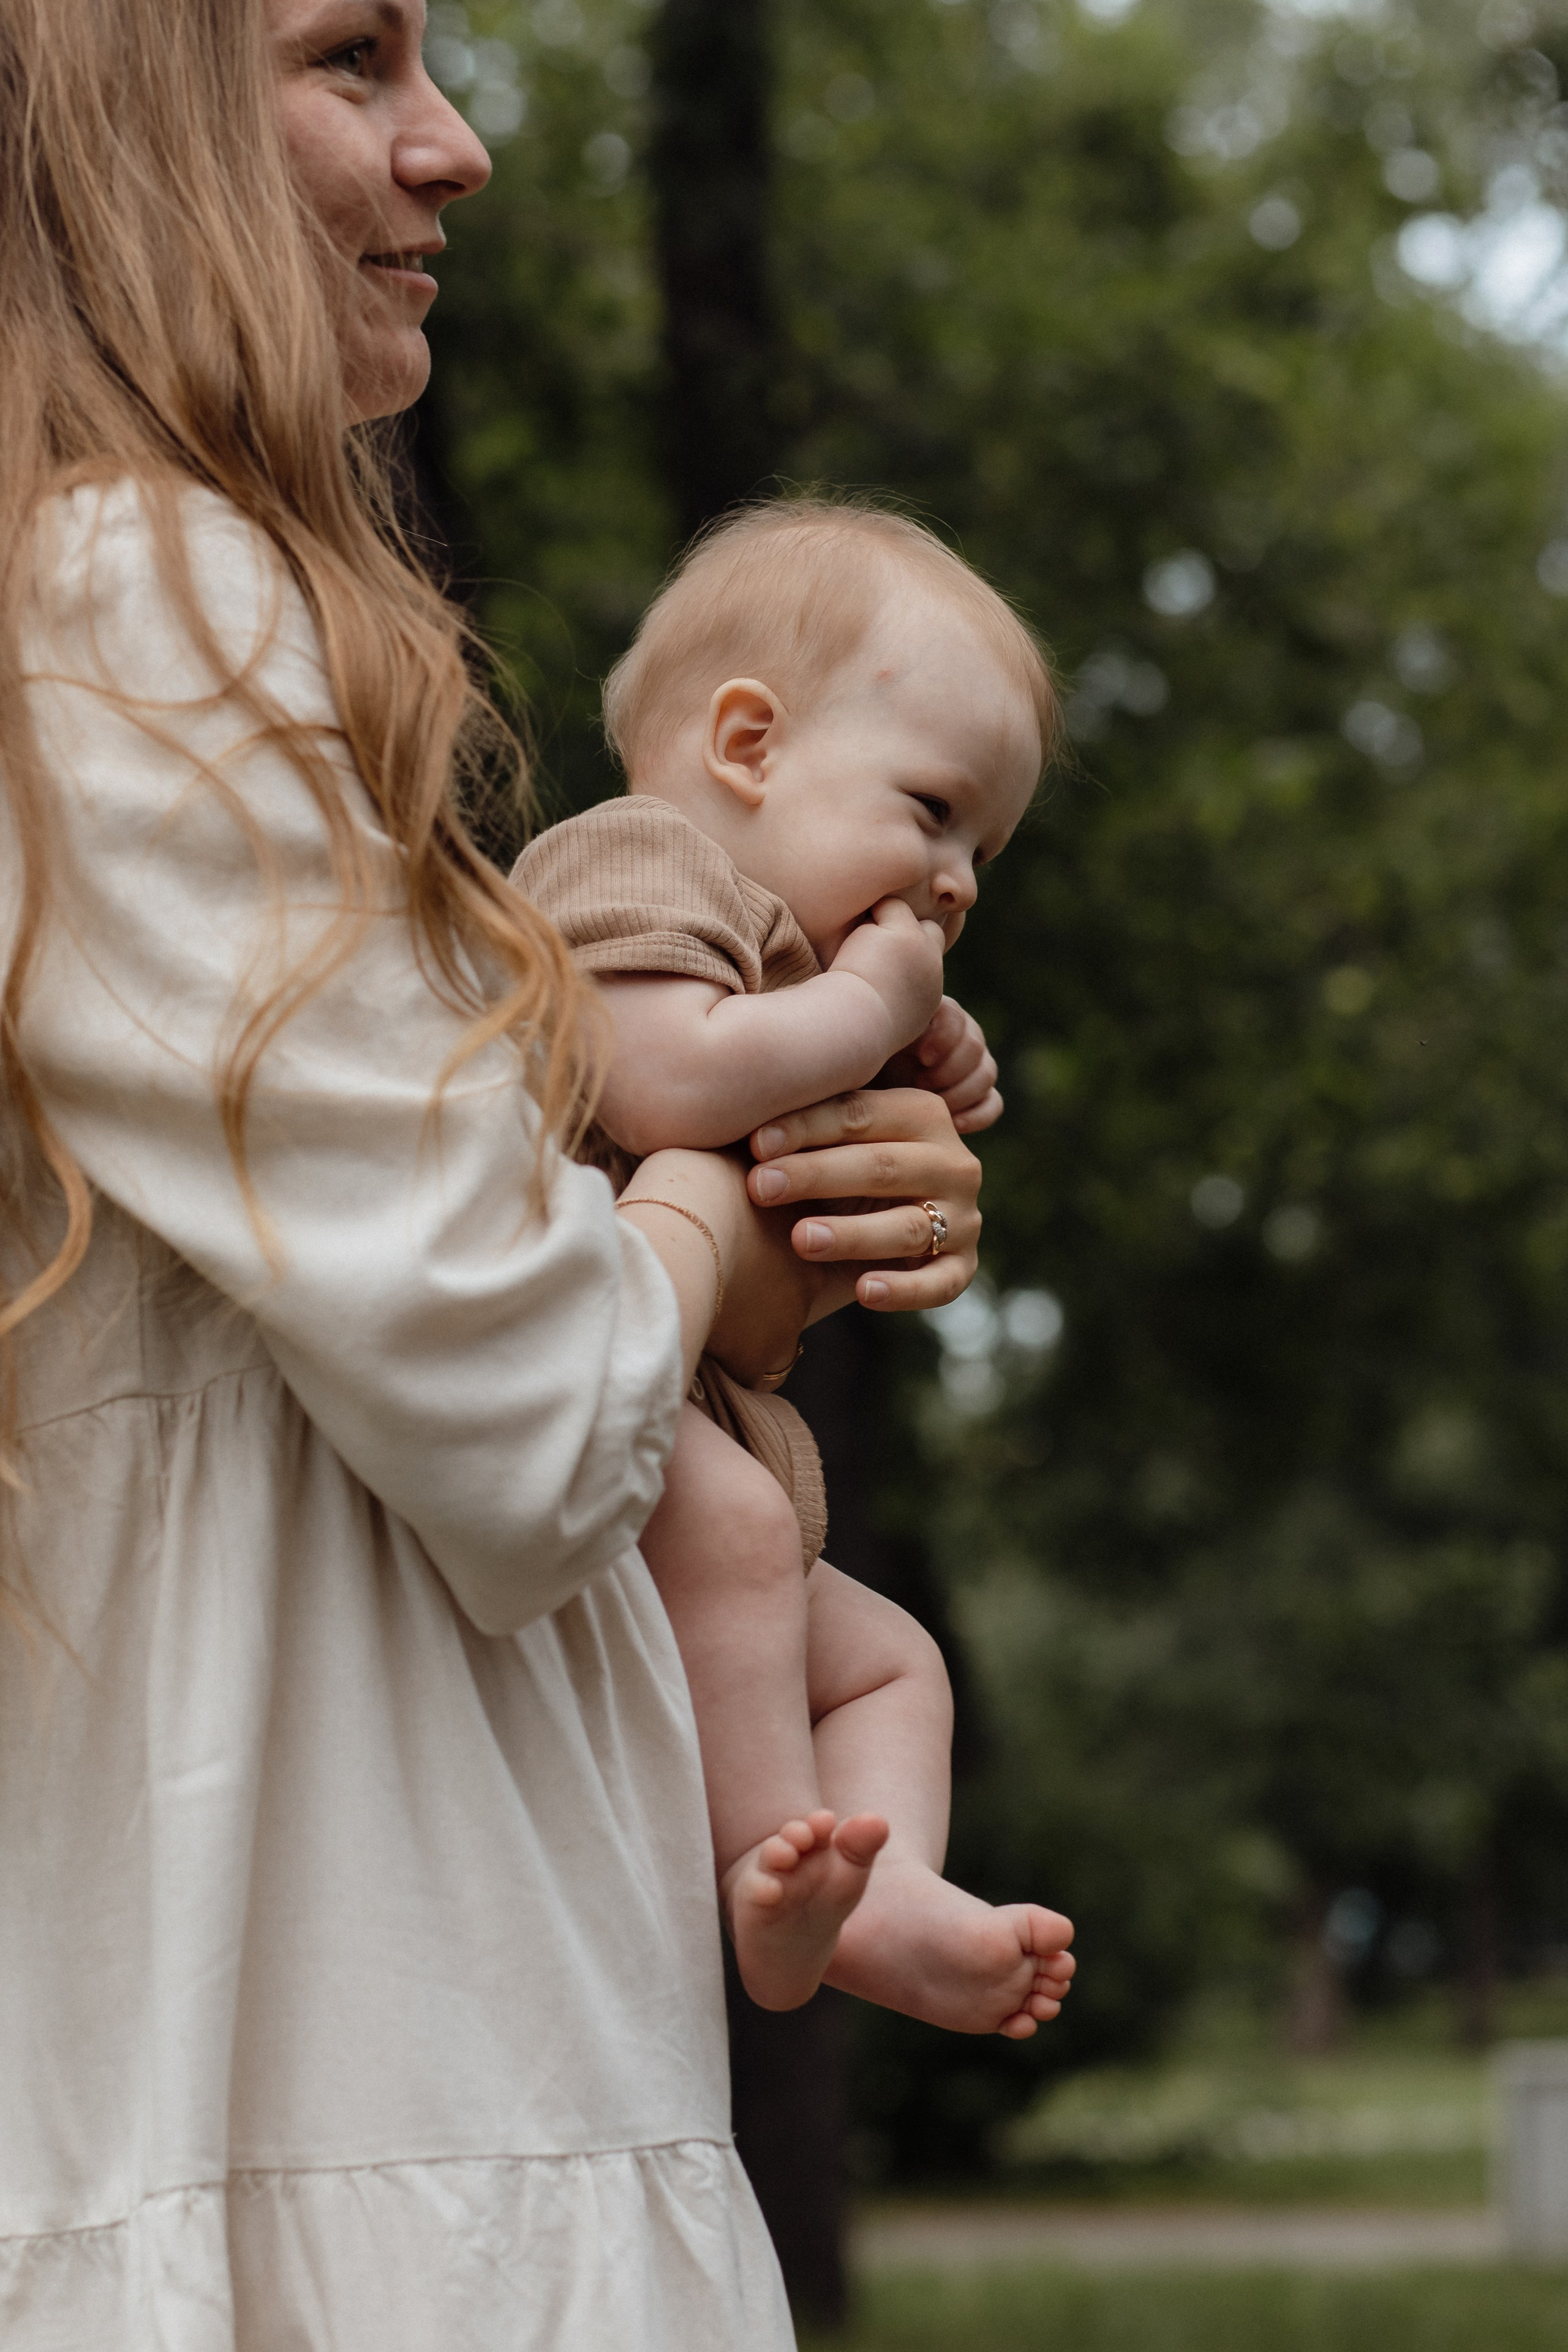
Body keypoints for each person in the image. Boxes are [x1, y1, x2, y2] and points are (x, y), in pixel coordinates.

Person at [0, 2, 992, 2343]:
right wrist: (717, 1207)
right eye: (351, 58)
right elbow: (541, 1410)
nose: (452, 149)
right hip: (389, 2061)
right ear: (111, 105)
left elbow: (457, 1306)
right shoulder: (135, 599)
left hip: (386, 2039)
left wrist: (831, 1200)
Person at [515, 503, 1078, 2032]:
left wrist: (916, 1065)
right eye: (930, 809)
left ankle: (870, 1890)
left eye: (982, 850)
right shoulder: (625, 865)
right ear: (749, 746)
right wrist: (873, 997)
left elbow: (796, 1111)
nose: (953, 880)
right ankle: (767, 1861)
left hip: (692, 1406)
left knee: (895, 1659)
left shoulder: (788, 953)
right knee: (752, 1539)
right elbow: (669, 1089)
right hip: (582, 1391)